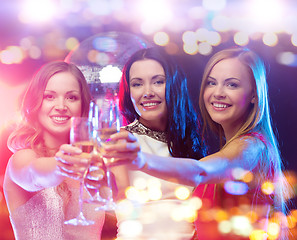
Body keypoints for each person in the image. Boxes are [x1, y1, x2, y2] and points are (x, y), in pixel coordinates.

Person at [106, 47, 288, 240]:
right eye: (211, 83)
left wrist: (141, 160)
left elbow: (200, 172)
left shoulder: (252, 146)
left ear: (254, 94)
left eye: (232, 85)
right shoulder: (215, 145)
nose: (218, 93)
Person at [111, 47, 207, 239]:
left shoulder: (194, 140)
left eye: (158, 82)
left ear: (174, 85)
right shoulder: (122, 141)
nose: (147, 92)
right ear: (129, 92)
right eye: (137, 84)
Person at [3, 61, 105, 240]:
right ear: (35, 102)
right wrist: (62, 164)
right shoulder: (22, 158)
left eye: (71, 97)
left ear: (82, 105)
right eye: (49, 96)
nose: (61, 106)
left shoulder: (93, 163)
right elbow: (34, 174)